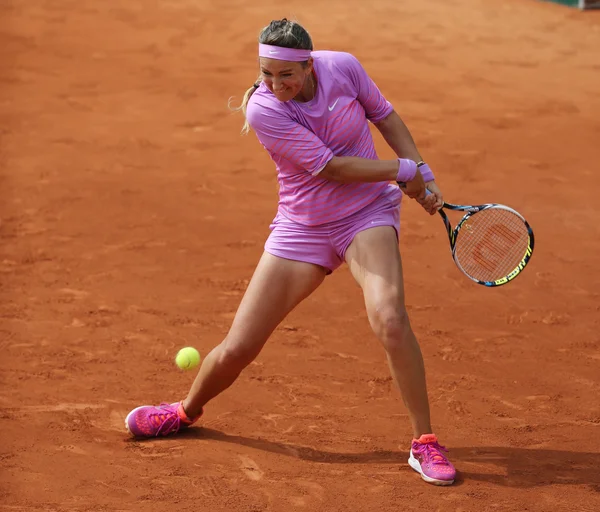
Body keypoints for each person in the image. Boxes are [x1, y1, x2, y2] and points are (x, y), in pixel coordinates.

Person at [125, 18, 456, 486]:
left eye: (286, 75)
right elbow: (332, 168)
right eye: (266, 74)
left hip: (366, 216)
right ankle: (184, 410)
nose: (275, 85)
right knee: (240, 346)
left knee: (391, 318)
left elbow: (385, 116)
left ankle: (425, 442)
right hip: (302, 229)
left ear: (309, 65)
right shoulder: (264, 110)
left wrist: (423, 170)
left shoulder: (343, 67)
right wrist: (403, 170)